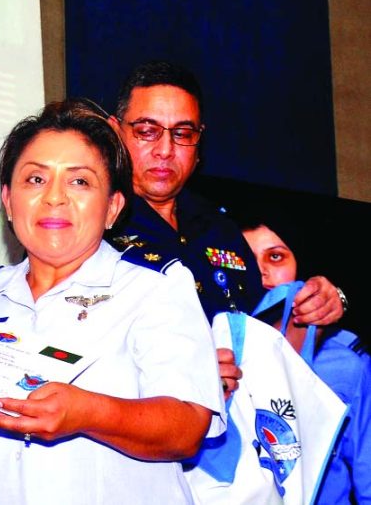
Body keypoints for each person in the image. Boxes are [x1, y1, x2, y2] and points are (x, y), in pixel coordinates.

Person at [0, 99, 225, 503]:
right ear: (7, 201)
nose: (54, 198)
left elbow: (187, 428)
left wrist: (86, 413)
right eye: (35, 180)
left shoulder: (154, 288)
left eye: (79, 182)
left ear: (113, 207)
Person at [105, 59, 345, 395]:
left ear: (199, 142)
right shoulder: (94, 225)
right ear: (115, 133)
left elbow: (267, 352)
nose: (165, 150)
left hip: (237, 431)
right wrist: (185, 368)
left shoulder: (221, 228)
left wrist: (315, 312)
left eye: (182, 134)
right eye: (147, 131)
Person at [241, 218, 371, 504]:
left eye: (276, 257)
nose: (261, 272)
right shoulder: (210, 347)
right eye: (247, 258)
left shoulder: (346, 362)